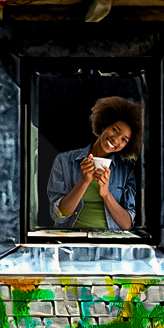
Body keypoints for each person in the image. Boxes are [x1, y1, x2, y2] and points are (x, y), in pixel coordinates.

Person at [46, 95, 142, 233]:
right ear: (104, 126)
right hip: (72, 239)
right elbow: (58, 215)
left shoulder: (127, 169)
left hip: (111, 241)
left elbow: (126, 225)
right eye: (115, 130)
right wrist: (84, 181)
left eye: (124, 140)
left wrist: (106, 194)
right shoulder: (64, 160)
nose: (116, 140)